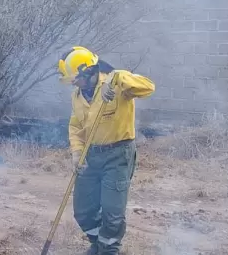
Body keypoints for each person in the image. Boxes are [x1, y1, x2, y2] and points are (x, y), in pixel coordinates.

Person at [57, 46, 155, 255]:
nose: (73, 83)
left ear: (88, 71)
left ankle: (108, 250)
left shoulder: (117, 84)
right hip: (90, 155)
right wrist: (77, 152)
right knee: (83, 210)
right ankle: (98, 244)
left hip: (118, 155)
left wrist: (118, 78)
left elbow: (148, 87)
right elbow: (76, 126)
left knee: (112, 213)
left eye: (75, 78)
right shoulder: (77, 96)